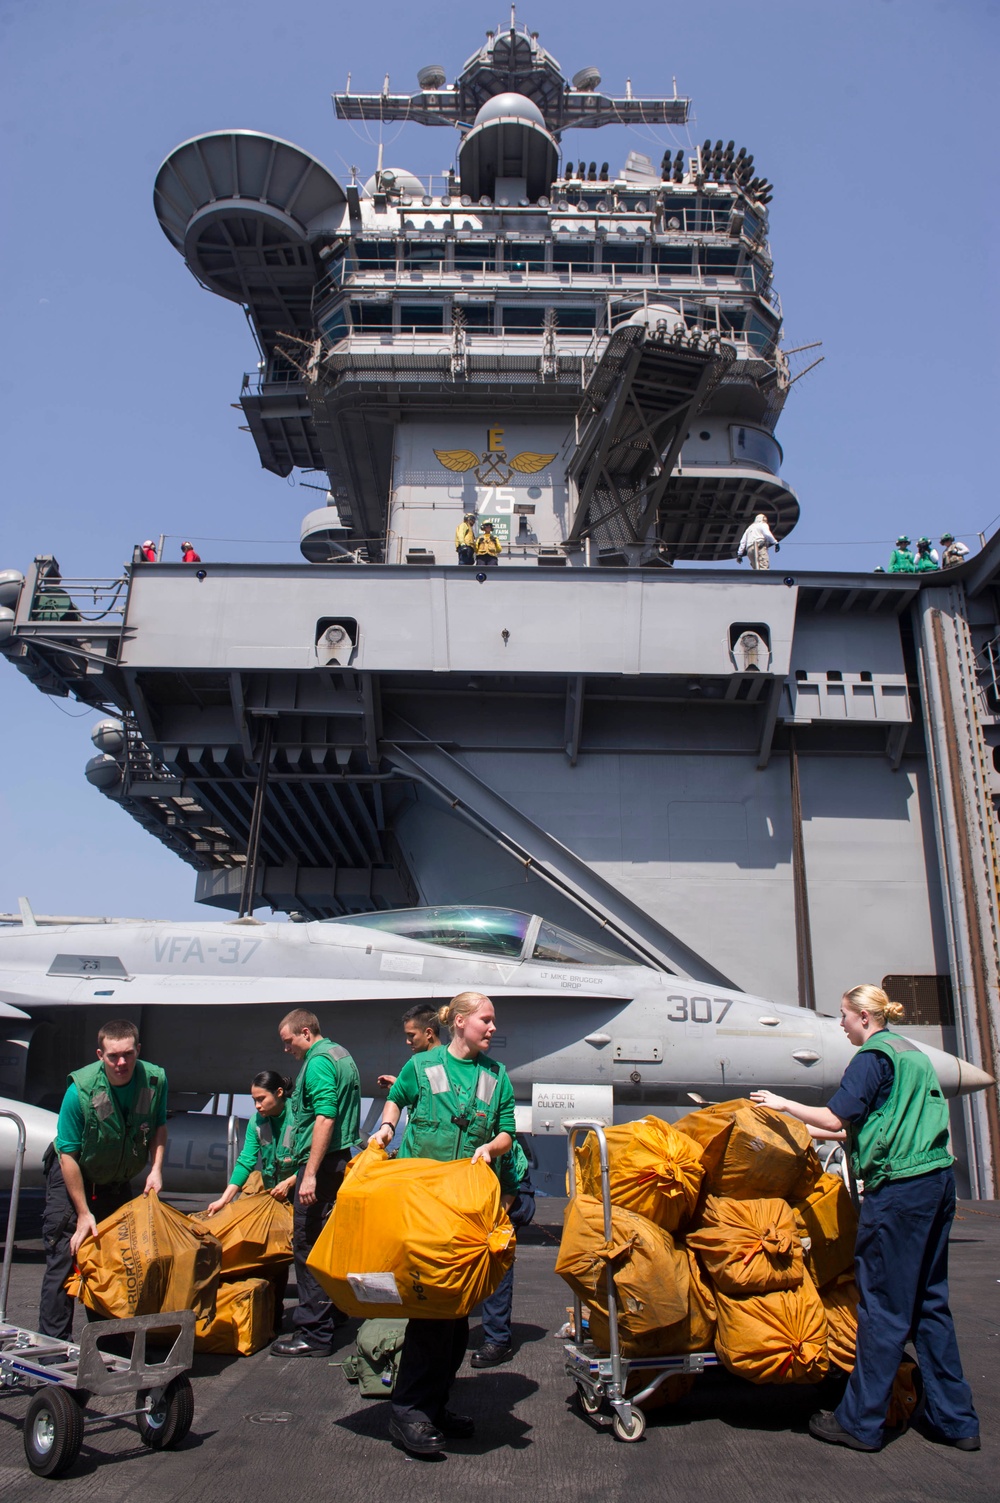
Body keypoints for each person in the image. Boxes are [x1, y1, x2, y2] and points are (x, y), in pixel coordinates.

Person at [750, 984, 979, 1453]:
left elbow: (836, 1120)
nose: (840, 1025)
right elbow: (866, 1122)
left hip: (898, 1193)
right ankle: (955, 1421)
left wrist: (781, 1104)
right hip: (936, 1185)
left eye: (844, 1017)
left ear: (864, 1018)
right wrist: (797, 1127)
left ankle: (860, 1422)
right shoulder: (909, 1055)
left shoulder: (871, 1057)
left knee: (882, 1308)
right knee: (929, 1305)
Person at [369, 990, 516, 1456]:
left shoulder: (496, 1076)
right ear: (459, 1023)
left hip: (466, 1211)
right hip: (423, 1205)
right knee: (432, 1316)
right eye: (486, 1020)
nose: (493, 1028)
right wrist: (387, 1127)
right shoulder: (424, 1065)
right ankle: (409, 1412)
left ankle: (432, 1406)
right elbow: (396, 1099)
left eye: (493, 1021)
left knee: (454, 1319)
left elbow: (507, 1130)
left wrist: (491, 1148)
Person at [39, 1019, 167, 1339]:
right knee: (66, 1258)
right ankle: (55, 1350)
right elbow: (68, 1153)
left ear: (138, 1050)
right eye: (113, 1056)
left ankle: (106, 1342)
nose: (121, 1063)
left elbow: (159, 1126)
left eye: (127, 1054)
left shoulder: (154, 1080)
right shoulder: (80, 1091)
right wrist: (83, 1213)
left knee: (112, 1261)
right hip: (73, 1175)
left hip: (115, 1179)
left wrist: (155, 1169)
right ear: (101, 1055)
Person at [270, 1009, 361, 1358]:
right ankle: (333, 1314)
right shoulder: (341, 1054)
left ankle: (313, 1333)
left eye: (289, 1041)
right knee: (330, 1244)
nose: (286, 1049)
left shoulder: (320, 1061)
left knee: (307, 1244)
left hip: (322, 1164)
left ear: (305, 1032)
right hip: (337, 1159)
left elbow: (325, 1115)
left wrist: (308, 1173)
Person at [205, 1069, 297, 1335]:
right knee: (273, 1259)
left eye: (261, 1099)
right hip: (273, 1195)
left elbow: (313, 1158)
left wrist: (290, 1183)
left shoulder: (300, 1116)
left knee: (306, 1258)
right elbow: (246, 1160)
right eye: (254, 1100)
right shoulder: (259, 1121)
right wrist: (225, 1198)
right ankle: (272, 1319)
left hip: (299, 1191)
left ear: (279, 1093)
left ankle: (321, 1318)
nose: (257, 1106)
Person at [472, 1135, 534, 1367]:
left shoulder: (500, 1144)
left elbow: (511, 1184)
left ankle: (498, 1339)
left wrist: (493, 1221)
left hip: (510, 1183)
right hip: (477, 1180)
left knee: (496, 1250)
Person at [376, 1002, 441, 1090]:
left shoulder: (432, 1063)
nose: (408, 1041)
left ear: (429, 1033)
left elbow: (439, 1100)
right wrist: (399, 1088)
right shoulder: (442, 1058)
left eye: (412, 1035)